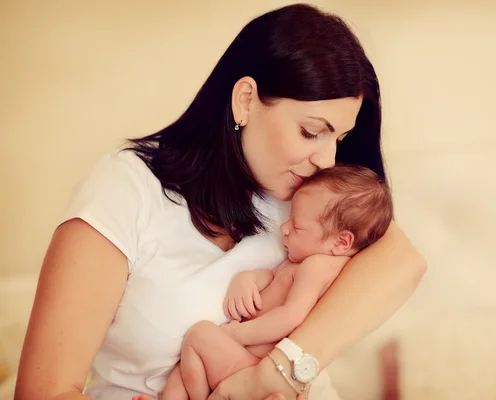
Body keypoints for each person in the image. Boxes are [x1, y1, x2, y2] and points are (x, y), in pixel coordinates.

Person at [14, 3, 427, 400]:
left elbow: (404, 260)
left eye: (338, 139)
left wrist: (279, 370)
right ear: (245, 100)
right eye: (310, 131)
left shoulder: (312, 195)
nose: (327, 159)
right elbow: (42, 391)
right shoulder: (126, 189)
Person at [132, 164, 394, 400]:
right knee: (184, 365)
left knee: (199, 334)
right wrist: (247, 280)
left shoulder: (318, 266)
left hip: (256, 365)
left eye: (297, 226)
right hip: (248, 362)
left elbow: (291, 317)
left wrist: (235, 333)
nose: (284, 228)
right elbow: (271, 278)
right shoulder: (303, 260)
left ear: (341, 242)